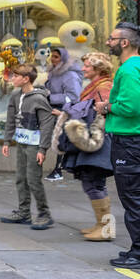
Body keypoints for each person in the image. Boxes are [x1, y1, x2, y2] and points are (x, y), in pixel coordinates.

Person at [97, 22, 140, 270]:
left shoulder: (130, 69)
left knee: (135, 198)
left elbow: (131, 107)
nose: (107, 42)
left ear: (124, 42)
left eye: (111, 39)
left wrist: (106, 107)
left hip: (131, 139)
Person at [58, 51, 115, 243]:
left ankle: (105, 228)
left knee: (93, 181)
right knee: (91, 181)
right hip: (94, 137)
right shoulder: (97, 85)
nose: (83, 69)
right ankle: (101, 224)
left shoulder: (104, 87)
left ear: (98, 68)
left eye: (87, 66)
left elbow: (103, 114)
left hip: (98, 140)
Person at [0, 63, 56, 230]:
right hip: (22, 143)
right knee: (21, 178)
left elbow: (47, 123)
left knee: (33, 179)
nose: (12, 78)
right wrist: (7, 141)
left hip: (34, 145)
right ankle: (24, 212)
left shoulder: (38, 98)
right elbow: (10, 120)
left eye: (16, 76)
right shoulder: (15, 97)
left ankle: (44, 214)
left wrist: (42, 149)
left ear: (26, 79)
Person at [43, 46, 83, 181]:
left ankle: (58, 169)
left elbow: (73, 96)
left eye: (56, 57)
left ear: (63, 59)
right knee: (60, 138)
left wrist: (51, 97)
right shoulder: (55, 72)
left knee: (62, 140)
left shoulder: (70, 75)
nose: (52, 59)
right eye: (52, 56)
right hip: (54, 109)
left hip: (64, 110)